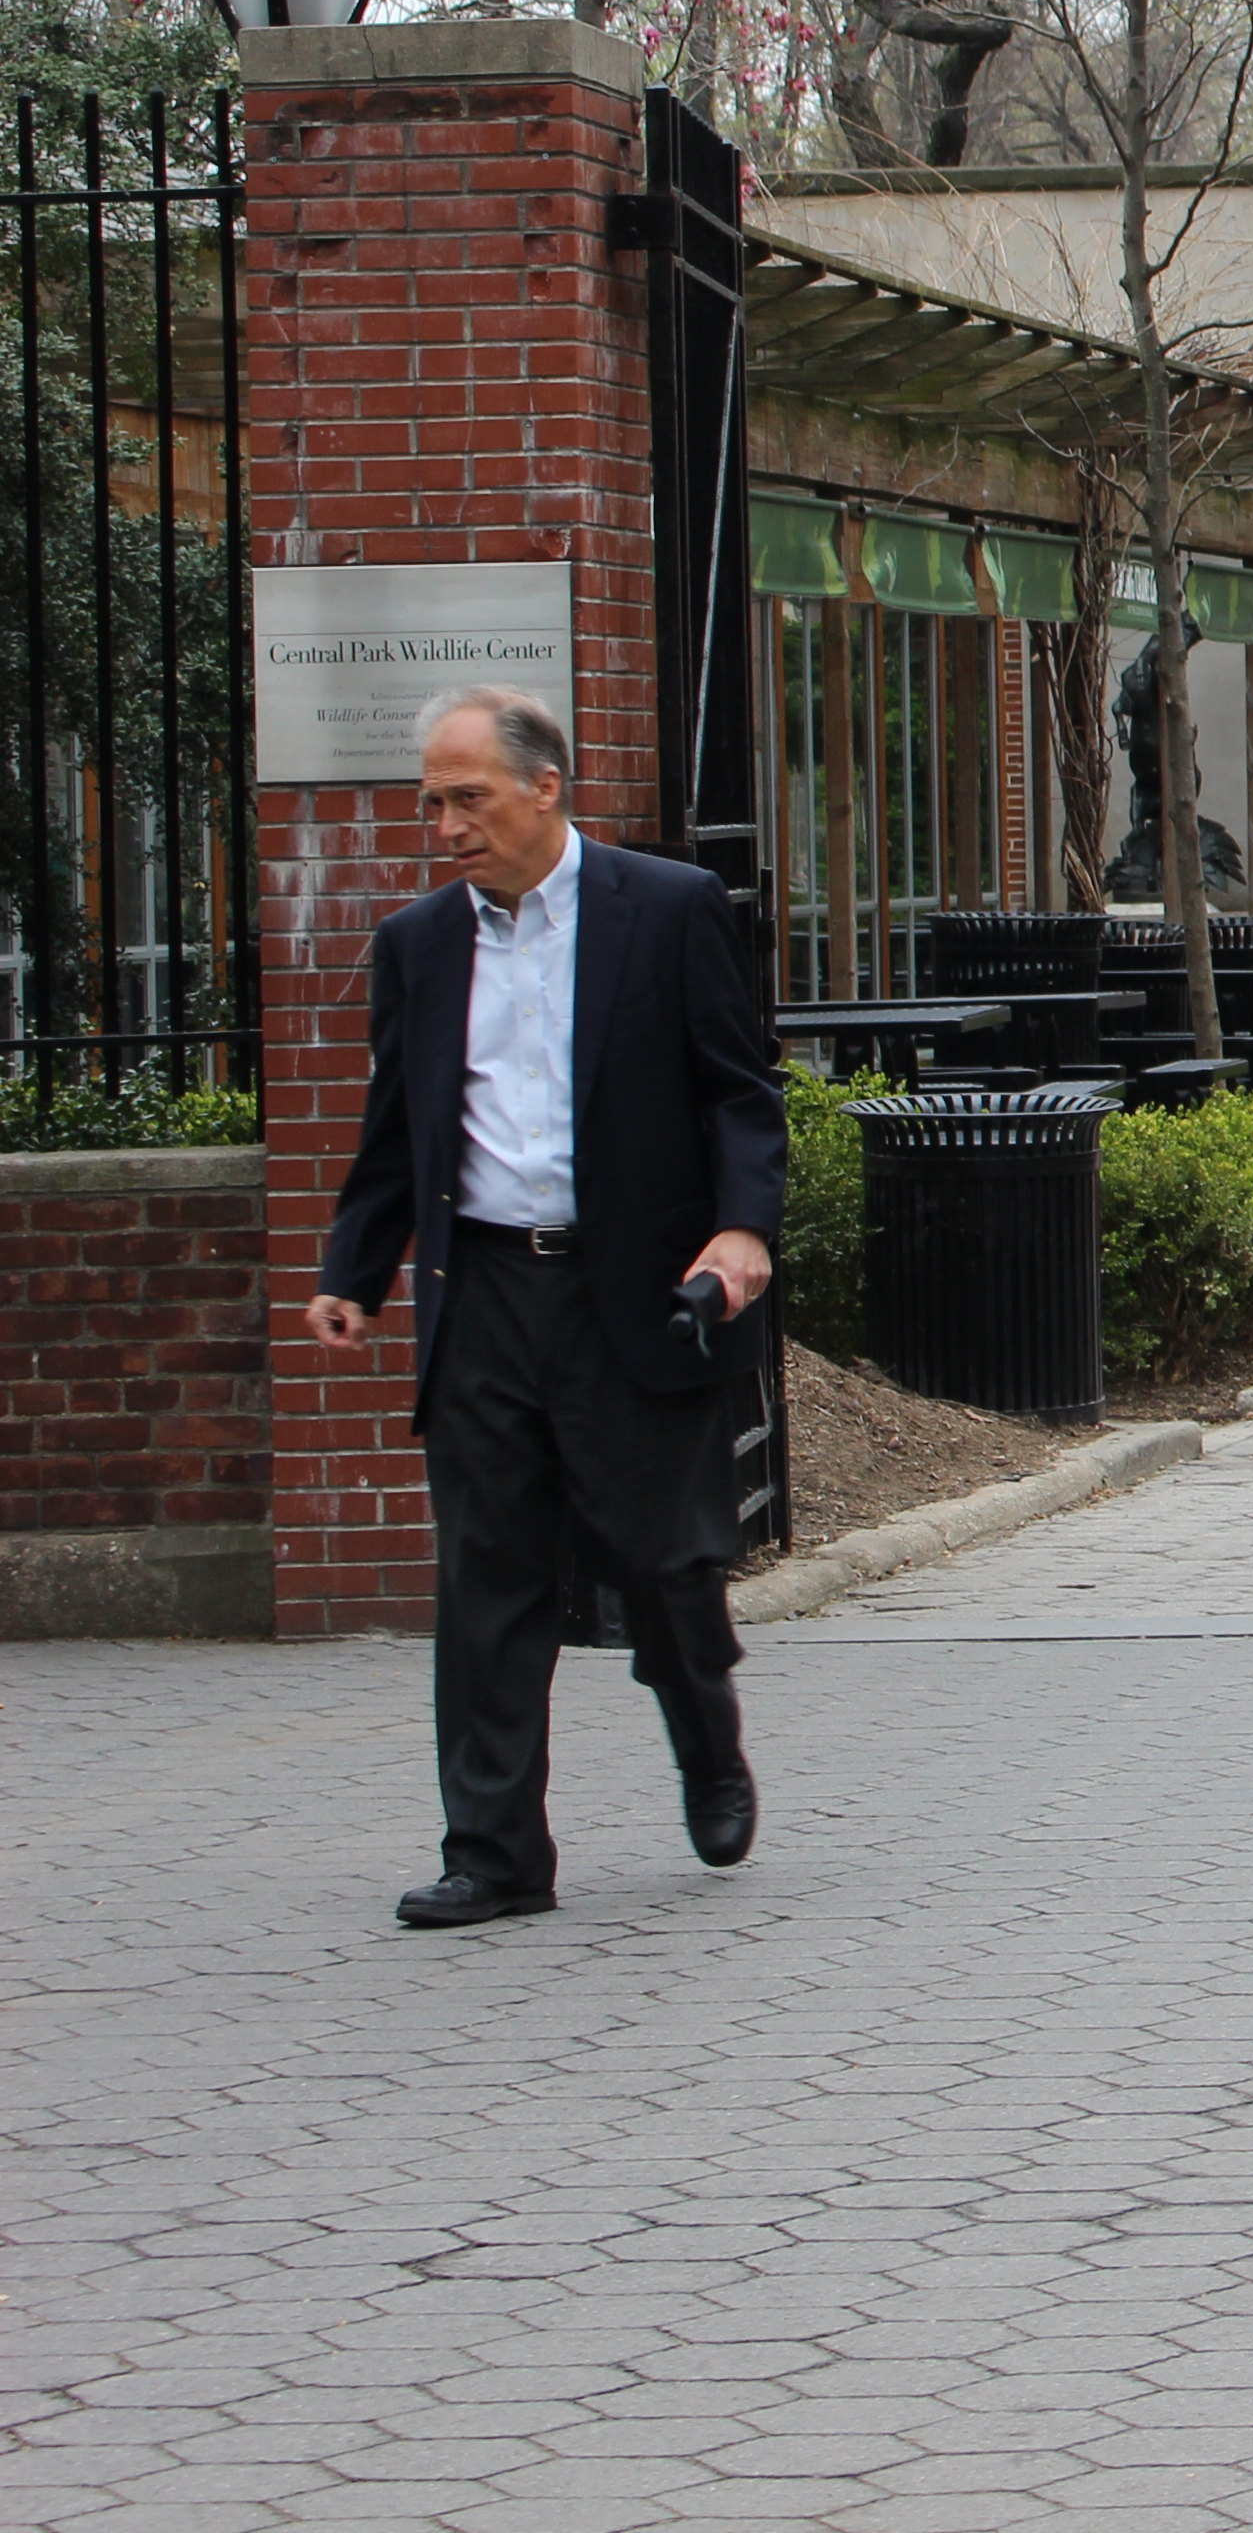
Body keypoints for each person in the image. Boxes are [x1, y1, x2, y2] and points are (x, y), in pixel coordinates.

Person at [311, 688, 790, 1929]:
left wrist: (740, 1230)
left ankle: (708, 1743)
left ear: (545, 788)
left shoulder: (669, 910)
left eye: (468, 797)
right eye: (431, 801)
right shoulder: (419, 945)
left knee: (668, 1562)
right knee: (487, 1578)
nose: (445, 823)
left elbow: (740, 1094)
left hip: (627, 1290)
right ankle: (496, 1855)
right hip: (483, 1294)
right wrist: (352, 1277)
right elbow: (391, 1134)